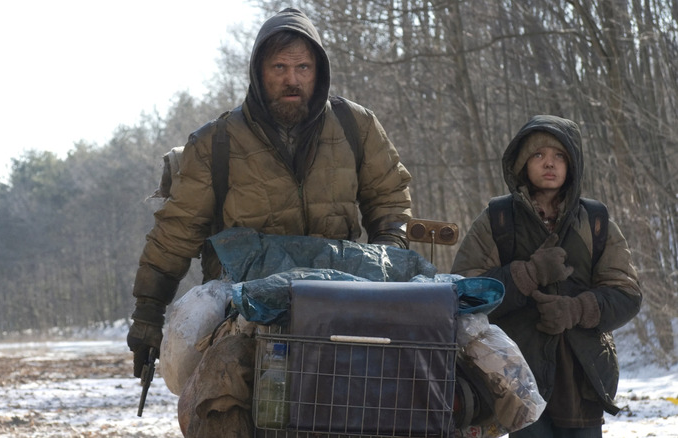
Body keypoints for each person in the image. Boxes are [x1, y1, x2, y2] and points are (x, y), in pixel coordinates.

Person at [127, 6, 412, 390]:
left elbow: (390, 201)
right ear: (259, 72)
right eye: (279, 67)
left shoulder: (355, 126)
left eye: (303, 68)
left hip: (340, 301)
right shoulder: (216, 143)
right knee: (223, 404)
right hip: (242, 313)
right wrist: (148, 315)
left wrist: (386, 262)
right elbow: (175, 236)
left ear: (319, 71)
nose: (292, 80)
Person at [451, 115, 641, 437]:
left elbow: (627, 293)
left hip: (584, 378)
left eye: (559, 156)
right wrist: (527, 274)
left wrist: (578, 309)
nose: (549, 163)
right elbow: (462, 296)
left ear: (572, 164)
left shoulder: (595, 221)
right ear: (523, 163)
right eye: (538, 155)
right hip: (519, 378)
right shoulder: (497, 220)